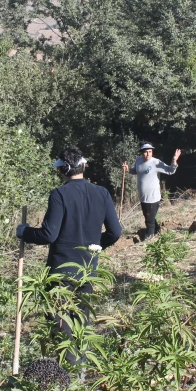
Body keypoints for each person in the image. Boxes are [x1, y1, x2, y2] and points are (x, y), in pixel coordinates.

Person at [17, 146, 122, 364]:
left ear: (63, 170)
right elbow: (115, 232)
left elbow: (48, 234)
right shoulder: (101, 193)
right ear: (83, 166)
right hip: (87, 269)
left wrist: (24, 232)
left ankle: (64, 373)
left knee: (60, 322)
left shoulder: (59, 194)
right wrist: (93, 246)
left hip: (60, 272)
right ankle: (78, 372)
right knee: (81, 320)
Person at [122, 142, 181, 240]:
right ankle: (157, 230)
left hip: (153, 198)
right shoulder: (138, 160)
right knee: (148, 216)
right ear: (142, 153)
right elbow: (136, 171)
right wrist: (128, 169)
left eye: (150, 152)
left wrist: (174, 160)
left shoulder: (156, 162)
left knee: (149, 221)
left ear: (152, 152)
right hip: (143, 197)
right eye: (145, 152)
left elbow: (170, 170)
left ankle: (149, 237)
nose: (148, 154)